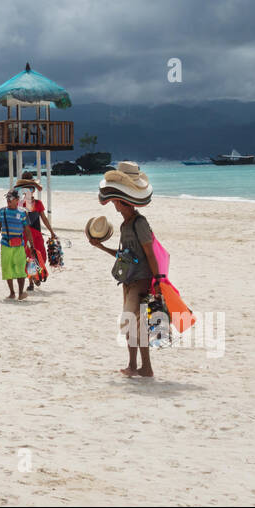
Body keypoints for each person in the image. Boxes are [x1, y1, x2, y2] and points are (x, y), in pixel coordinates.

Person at [86, 162, 158, 378]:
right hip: (129, 281)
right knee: (132, 325)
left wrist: (159, 281)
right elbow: (124, 258)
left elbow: (150, 253)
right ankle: (134, 366)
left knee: (134, 323)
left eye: (115, 201)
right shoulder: (126, 225)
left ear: (120, 200)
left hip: (142, 281)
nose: (113, 205)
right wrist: (101, 247)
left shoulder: (139, 223)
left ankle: (145, 367)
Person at [0, 189, 30, 299]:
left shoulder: (23, 212)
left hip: (19, 245)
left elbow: (27, 230)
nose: (8, 200)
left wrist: (32, 245)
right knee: (7, 269)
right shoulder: (1, 211)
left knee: (20, 269)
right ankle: (12, 293)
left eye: (10, 198)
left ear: (17, 200)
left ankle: (21, 293)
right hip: (5, 244)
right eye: (7, 198)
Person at [16, 173, 54, 289]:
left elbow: (44, 218)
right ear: (23, 190)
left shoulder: (38, 203)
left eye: (31, 189)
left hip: (37, 234)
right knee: (28, 257)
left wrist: (51, 231)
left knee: (41, 255)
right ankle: (31, 281)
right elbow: (17, 220)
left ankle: (37, 275)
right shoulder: (20, 204)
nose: (30, 191)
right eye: (27, 189)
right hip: (25, 234)